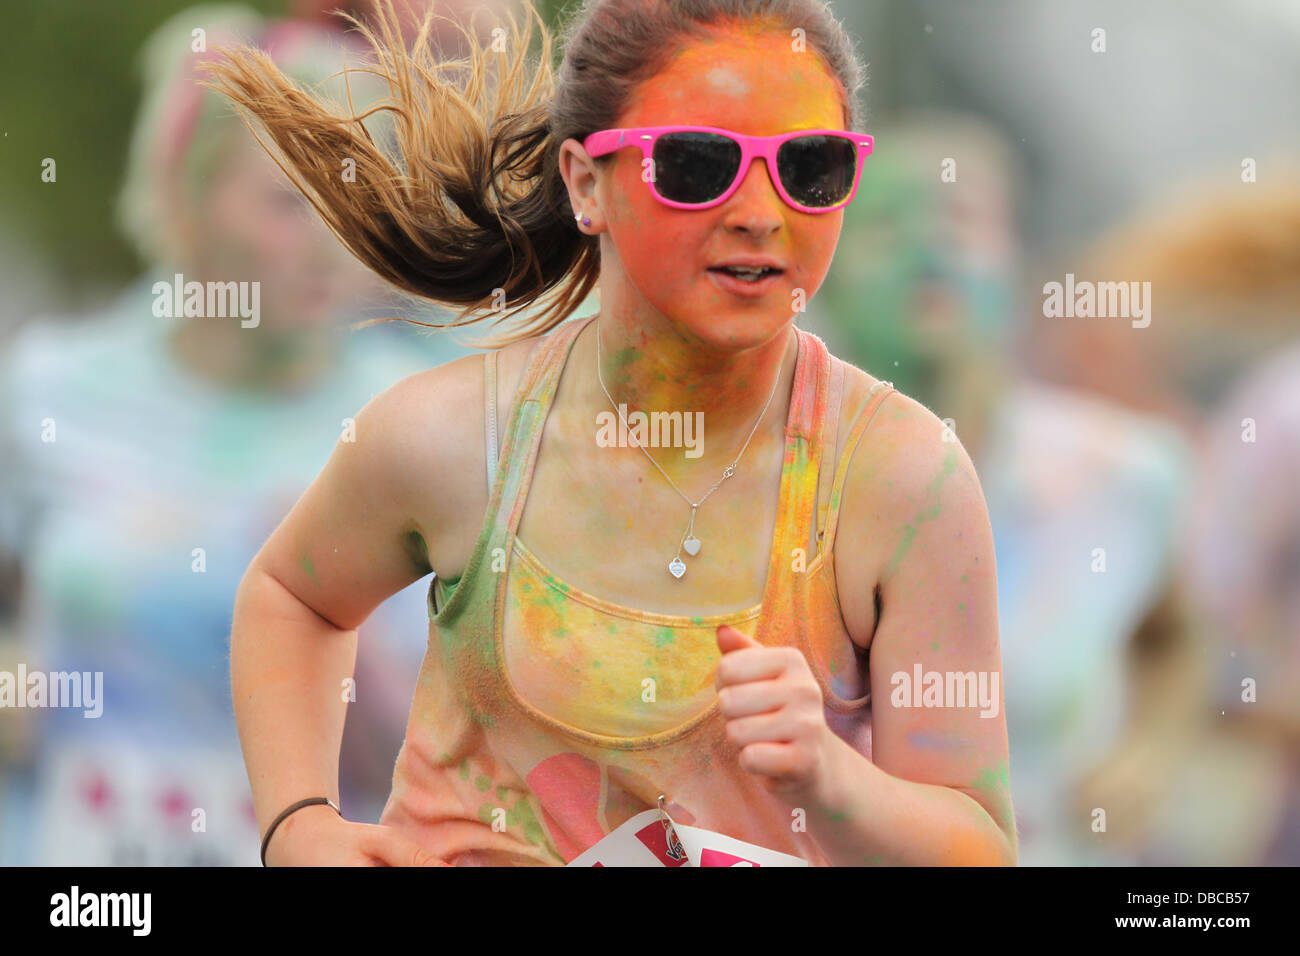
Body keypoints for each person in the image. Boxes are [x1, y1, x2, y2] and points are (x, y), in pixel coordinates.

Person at [206, 0, 1017, 867]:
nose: (758, 211)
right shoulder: (454, 437)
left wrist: (830, 776)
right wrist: (298, 824)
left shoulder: (899, 478)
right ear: (586, 182)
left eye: (808, 168)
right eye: (697, 164)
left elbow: (978, 846)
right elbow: (292, 596)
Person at [0, 5, 463, 865]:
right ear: (186, 195)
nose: (332, 244)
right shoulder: (49, 387)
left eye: (363, 204)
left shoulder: (421, 421)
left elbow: (462, 765)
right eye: (291, 204)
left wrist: (325, 611)